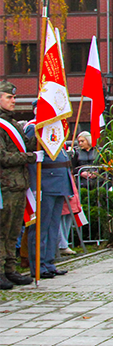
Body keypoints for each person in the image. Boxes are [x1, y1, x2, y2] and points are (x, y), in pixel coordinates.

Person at [0, 81, 38, 289]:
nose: (13, 101)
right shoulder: (1, 125)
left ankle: (10, 270)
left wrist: (42, 134)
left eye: (14, 97)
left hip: (18, 184)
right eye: (9, 97)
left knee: (14, 230)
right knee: (2, 230)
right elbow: (3, 157)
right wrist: (30, 156)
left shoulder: (13, 124)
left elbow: (25, 145)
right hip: (4, 185)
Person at [25, 116, 73, 279]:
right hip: (44, 184)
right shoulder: (35, 128)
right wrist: (34, 186)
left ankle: (48, 262)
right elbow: (33, 158)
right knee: (41, 227)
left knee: (53, 226)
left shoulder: (56, 127)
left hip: (58, 182)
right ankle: (38, 264)